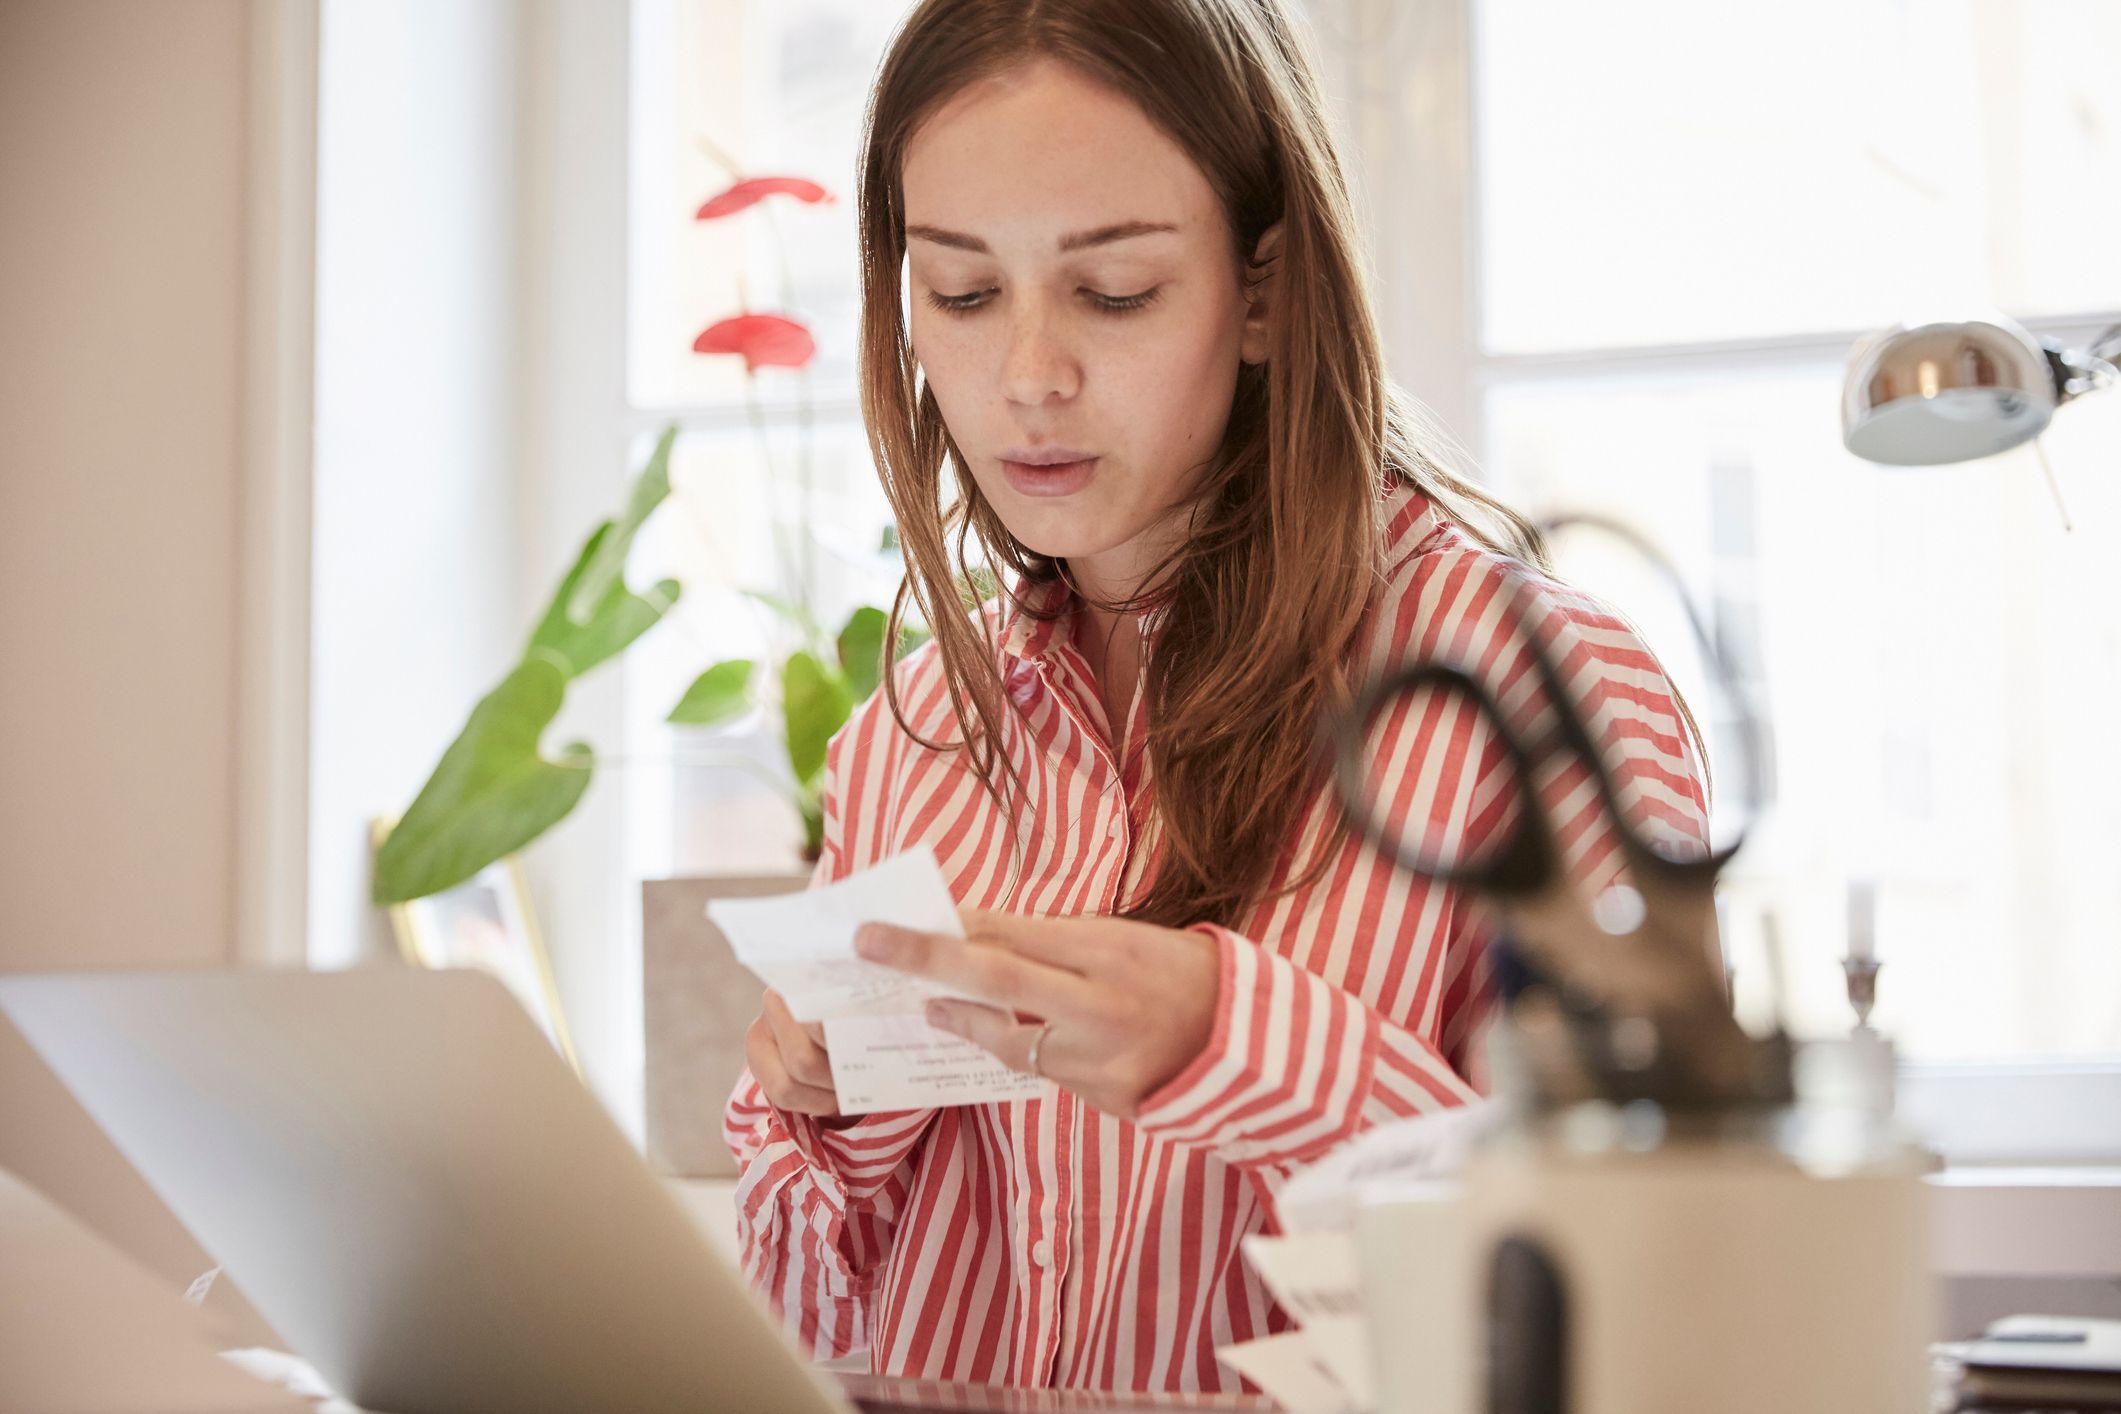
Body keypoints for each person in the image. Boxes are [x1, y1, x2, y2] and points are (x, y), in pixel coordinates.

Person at [724, 0, 1707, 1393]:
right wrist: (826, 1112)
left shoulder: (1539, 700)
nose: (1026, 378)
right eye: (960, 293)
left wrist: (1241, 1044)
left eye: (1112, 292)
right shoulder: (908, 745)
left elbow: (1640, 1314)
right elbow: (805, 1343)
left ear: (1262, 290)